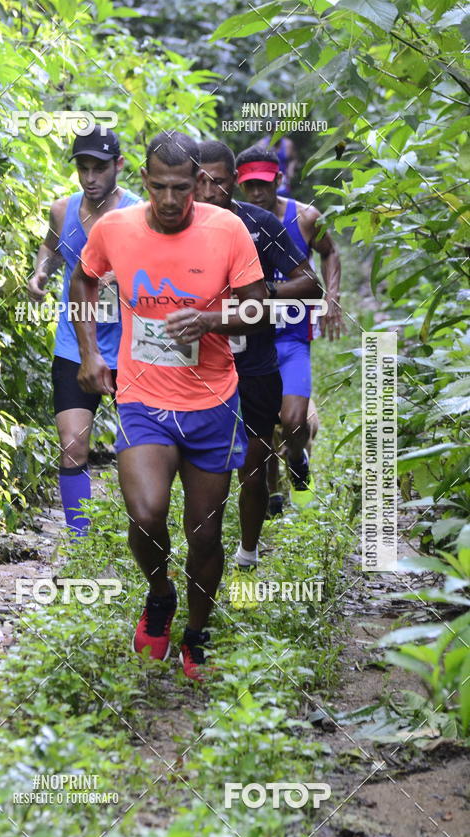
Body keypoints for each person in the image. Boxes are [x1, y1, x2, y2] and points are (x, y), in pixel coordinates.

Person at [69, 132, 280, 679]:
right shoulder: (114, 228)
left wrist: (212, 320)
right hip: (142, 395)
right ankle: (160, 594)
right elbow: (83, 281)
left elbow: (257, 310)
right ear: (143, 181)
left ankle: (196, 633)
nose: (169, 199)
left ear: (199, 184)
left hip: (212, 397)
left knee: (205, 534)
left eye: (181, 188)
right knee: (145, 513)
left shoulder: (228, 229)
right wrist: (91, 351)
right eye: (159, 187)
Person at [195, 140, 322, 596]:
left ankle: (248, 552)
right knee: (203, 472)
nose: (209, 191)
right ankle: (202, 553)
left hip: (255, 362)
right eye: (201, 181)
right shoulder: (176, 223)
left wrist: (262, 293)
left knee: (253, 464)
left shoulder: (260, 224)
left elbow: (309, 282)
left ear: (233, 182)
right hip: (196, 365)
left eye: (219, 181)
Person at [27, 126, 140, 539]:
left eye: (99, 168)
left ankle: (142, 531)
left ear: (119, 166)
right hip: (75, 341)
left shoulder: (139, 214)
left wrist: (122, 280)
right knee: (73, 442)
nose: (90, 177)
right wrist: (39, 274)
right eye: (83, 168)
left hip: (131, 346)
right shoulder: (62, 210)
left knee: (139, 449)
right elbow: (52, 249)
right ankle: (79, 541)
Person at [235, 144, 342, 509]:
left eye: (263, 184)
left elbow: (329, 251)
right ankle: (272, 495)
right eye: (249, 186)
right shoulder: (233, 222)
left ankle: (297, 458)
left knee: (293, 421)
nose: (257, 193)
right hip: (248, 340)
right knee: (259, 426)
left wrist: (332, 297)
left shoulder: (305, 217)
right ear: (238, 186)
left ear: (278, 179)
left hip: (293, 335)